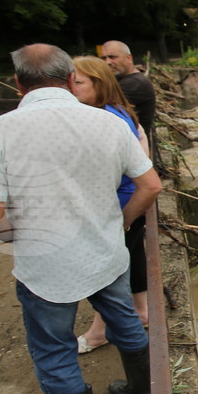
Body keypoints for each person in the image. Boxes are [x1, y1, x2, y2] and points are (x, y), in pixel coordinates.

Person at [0, 44, 162, 394]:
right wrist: (120, 224)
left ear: (17, 83)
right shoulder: (108, 123)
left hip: (45, 265)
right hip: (106, 251)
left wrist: (24, 245)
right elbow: (150, 184)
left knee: (55, 352)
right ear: (71, 79)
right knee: (125, 318)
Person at [71, 56, 149, 353]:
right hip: (132, 201)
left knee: (107, 272)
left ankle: (98, 332)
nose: (71, 88)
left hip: (122, 203)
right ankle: (142, 311)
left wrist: (123, 216)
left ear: (99, 84)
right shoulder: (117, 110)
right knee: (132, 256)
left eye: (78, 82)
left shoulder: (105, 118)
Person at [100, 40, 156, 151]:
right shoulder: (123, 81)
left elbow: (102, 111)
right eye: (104, 58)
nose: (108, 62)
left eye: (112, 57)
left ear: (129, 58)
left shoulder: (134, 83)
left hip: (135, 150)